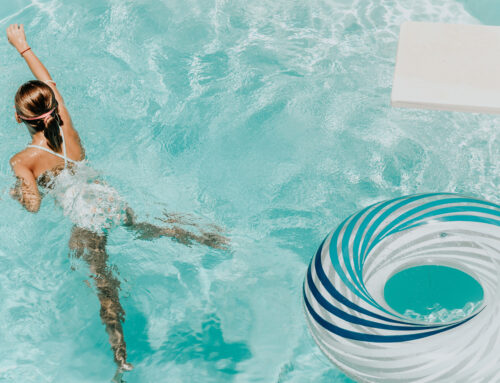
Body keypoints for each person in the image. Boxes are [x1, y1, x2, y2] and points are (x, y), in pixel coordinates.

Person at [6, 23, 228, 374]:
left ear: (19, 118)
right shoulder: (63, 122)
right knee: (145, 226)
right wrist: (23, 47)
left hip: (84, 217)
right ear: (51, 108)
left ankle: (121, 356)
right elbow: (49, 83)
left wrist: (18, 192)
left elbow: (33, 206)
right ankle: (210, 239)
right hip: (106, 197)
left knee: (103, 284)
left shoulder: (22, 161)